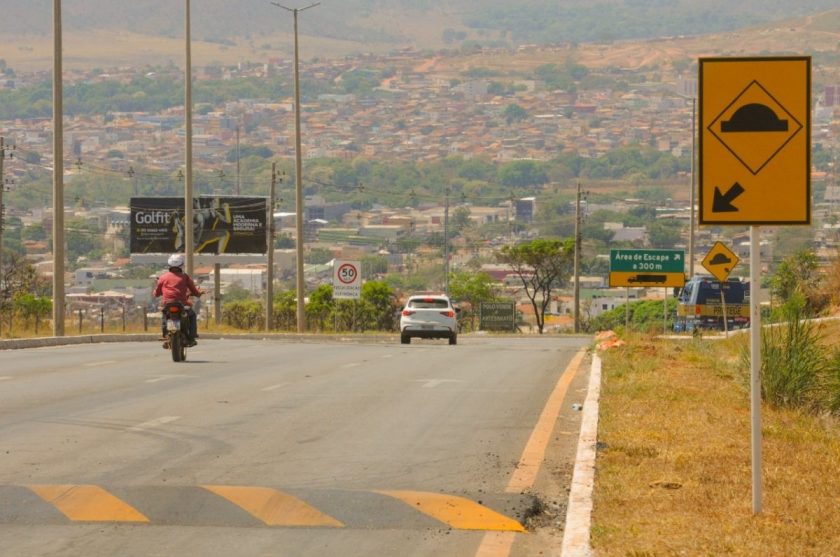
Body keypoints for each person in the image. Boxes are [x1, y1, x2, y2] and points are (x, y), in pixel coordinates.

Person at [153, 253, 203, 346]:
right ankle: (192, 336)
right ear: (181, 265)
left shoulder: (163, 277)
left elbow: (156, 293)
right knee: (192, 315)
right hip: (181, 304)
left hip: (167, 304)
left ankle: (165, 334)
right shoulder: (185, 277)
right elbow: (195, 291)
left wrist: (157, 292)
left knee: (164, 314)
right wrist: (198, 293)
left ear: (169, 265)